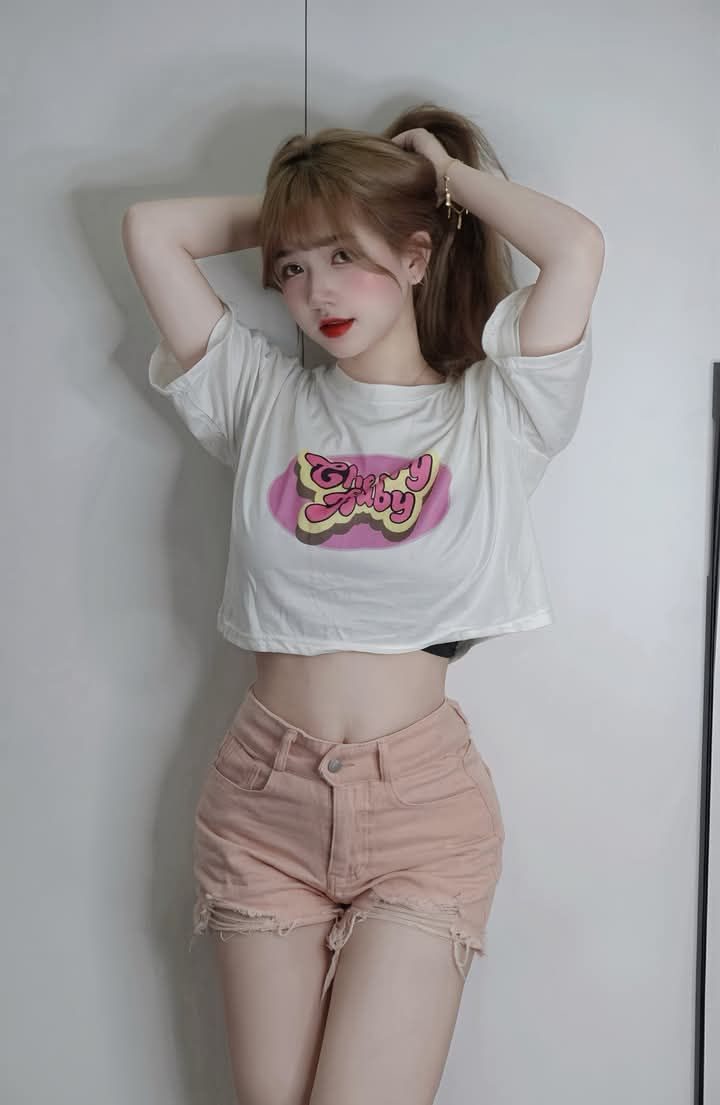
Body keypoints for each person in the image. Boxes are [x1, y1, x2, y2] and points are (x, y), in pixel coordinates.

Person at [122, 100, 604, 1105]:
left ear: (417, 256)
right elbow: (150, 231)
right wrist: (308, 212)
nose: (317, 291)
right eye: (294, 267)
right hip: (261, 802)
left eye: (345, 256)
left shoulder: (498, 413)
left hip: (422, 809)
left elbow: (576, 249)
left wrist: (430, 184)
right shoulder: (260, 398)